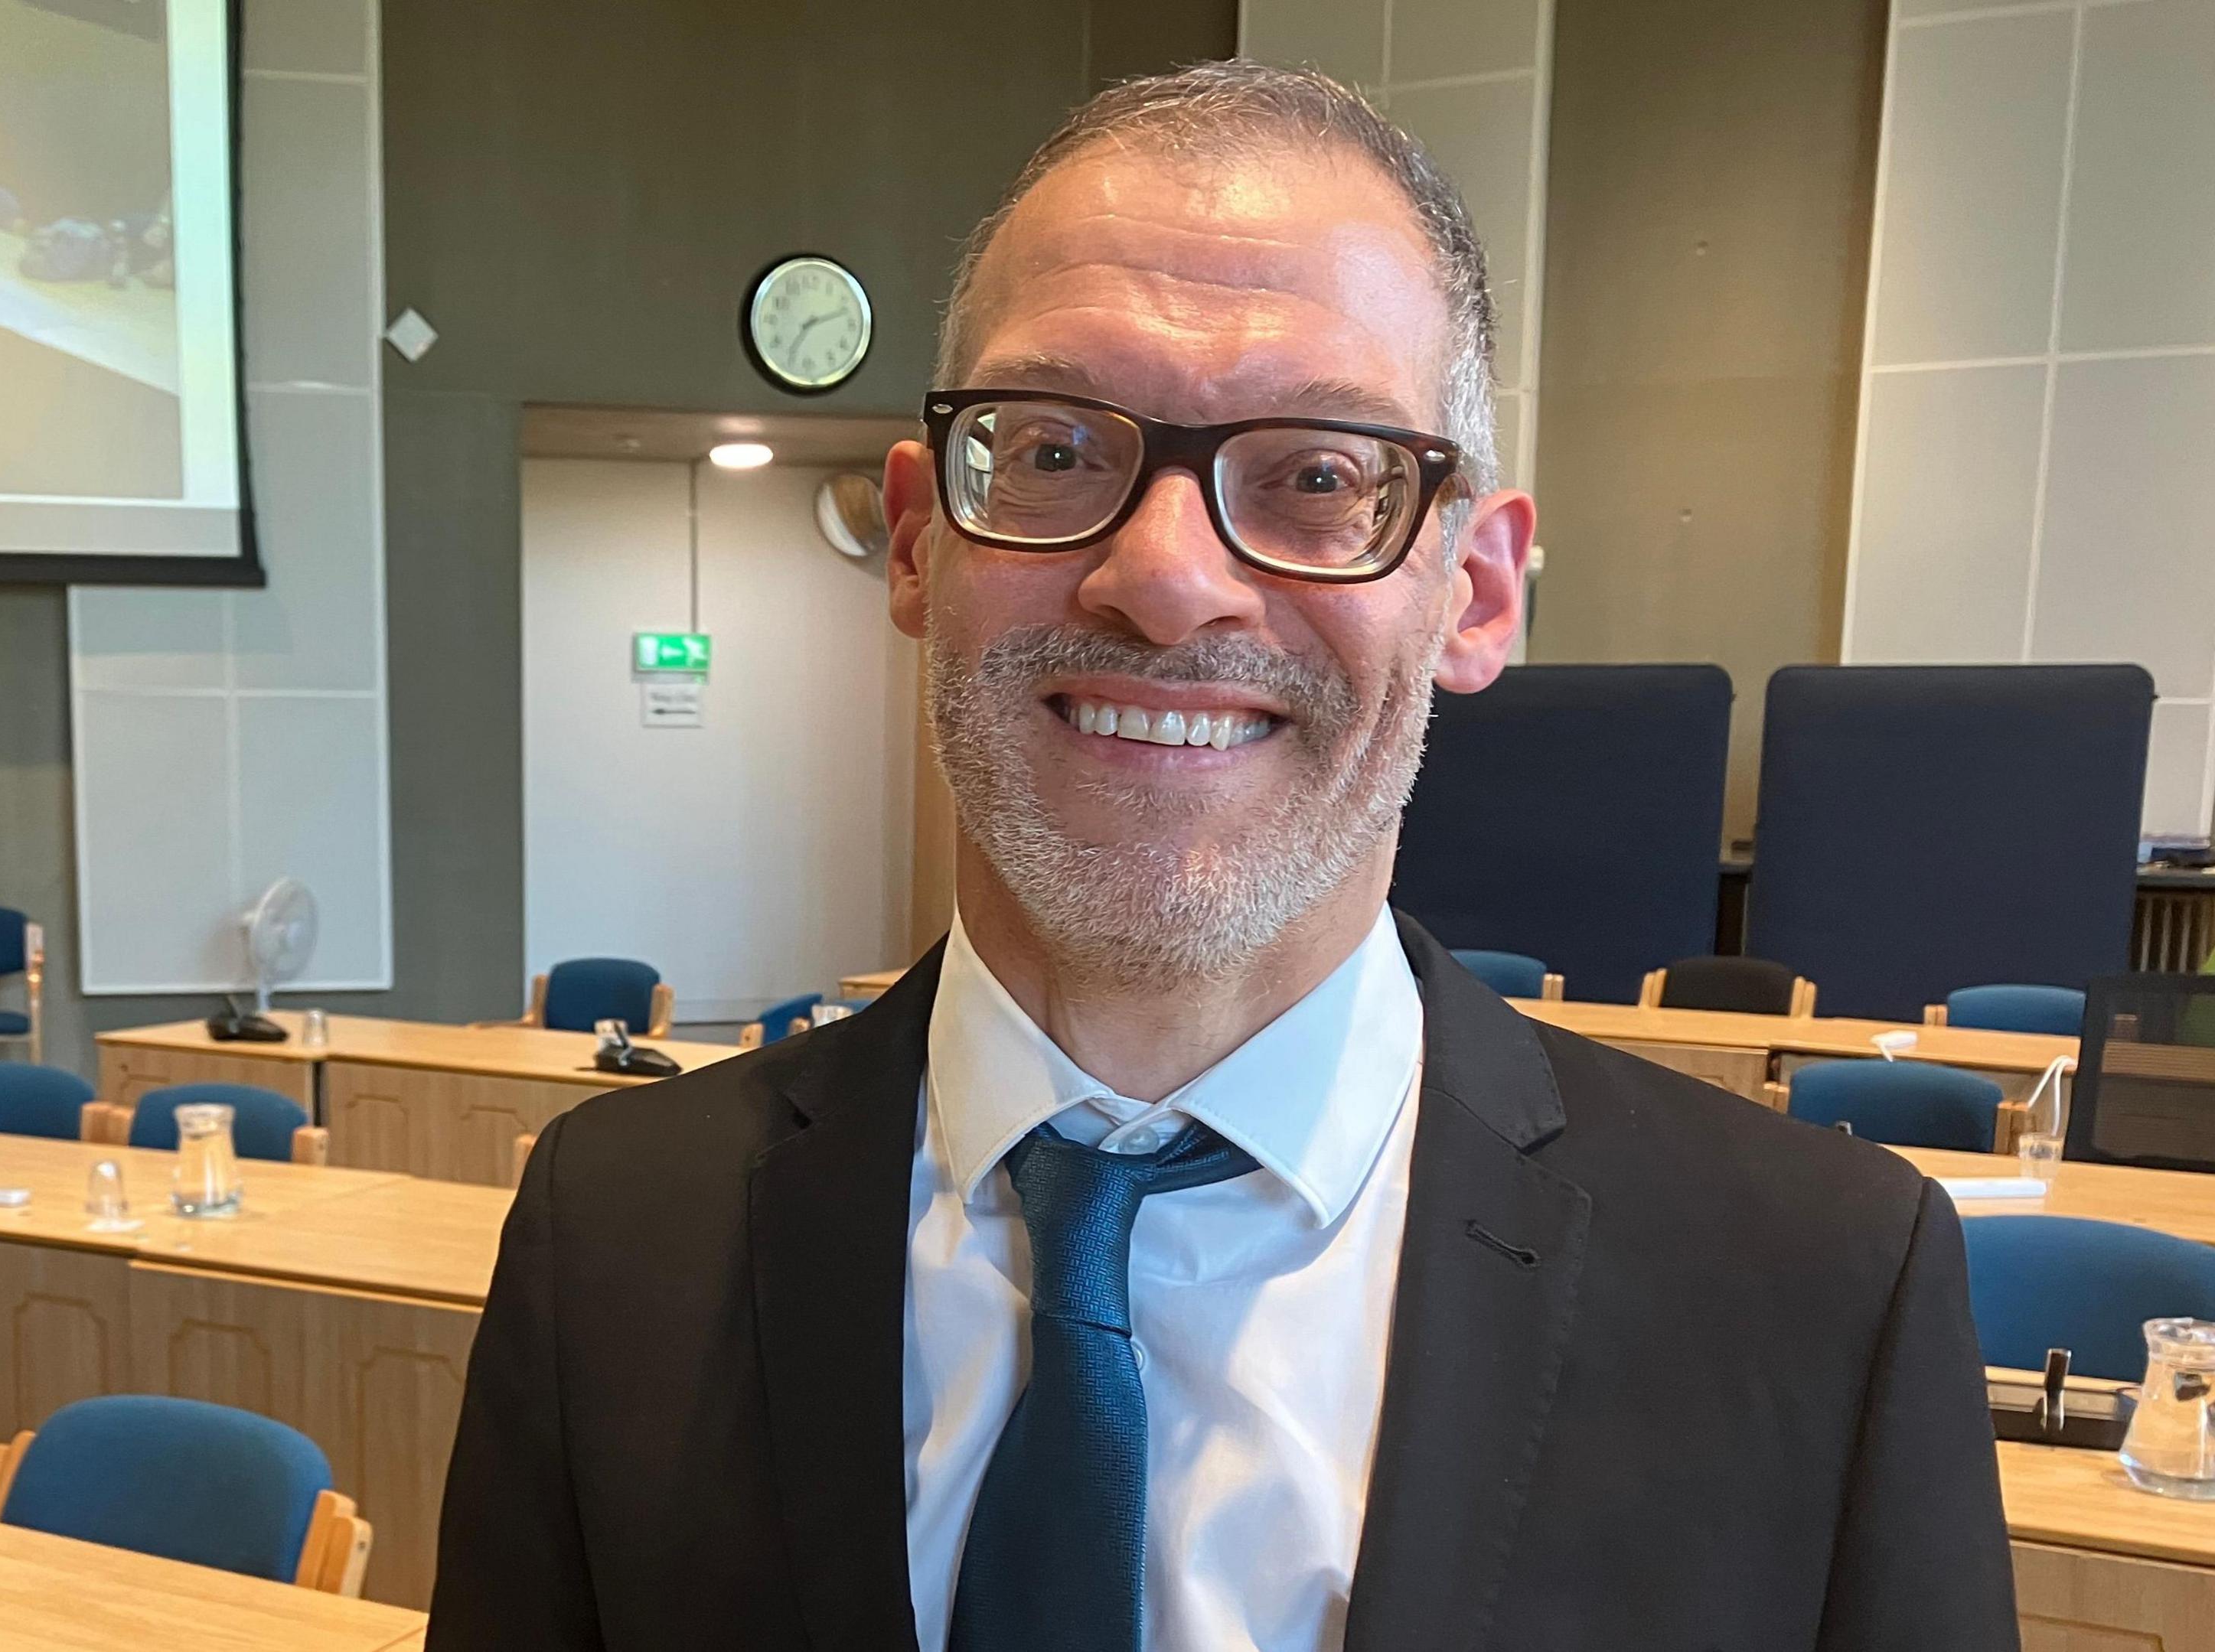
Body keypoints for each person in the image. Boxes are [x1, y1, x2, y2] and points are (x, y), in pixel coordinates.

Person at [429, 60, 2014, 1652]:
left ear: (1474, 591)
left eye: (1321, 475)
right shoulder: (614, 1235)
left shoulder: (1820, 1291)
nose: (1165, 581)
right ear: (919, 541)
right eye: (1051, 451)